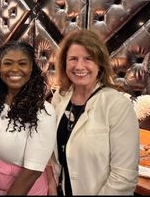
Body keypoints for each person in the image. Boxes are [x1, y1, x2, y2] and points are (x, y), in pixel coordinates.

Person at [51, 29, 139, 195]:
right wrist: (51, 184)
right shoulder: (59, 97)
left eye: (88, 59)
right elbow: (53, 154)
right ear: (64, 63)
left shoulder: (118, 106)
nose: (79, 66)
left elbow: (124, 177)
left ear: (100, 65)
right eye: (73, 59)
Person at [0, 40, 57, 195]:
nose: (15, 69)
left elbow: (32, 172)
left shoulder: (44, 112)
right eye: (8, 63)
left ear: (31, 68)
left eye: (22, 63)